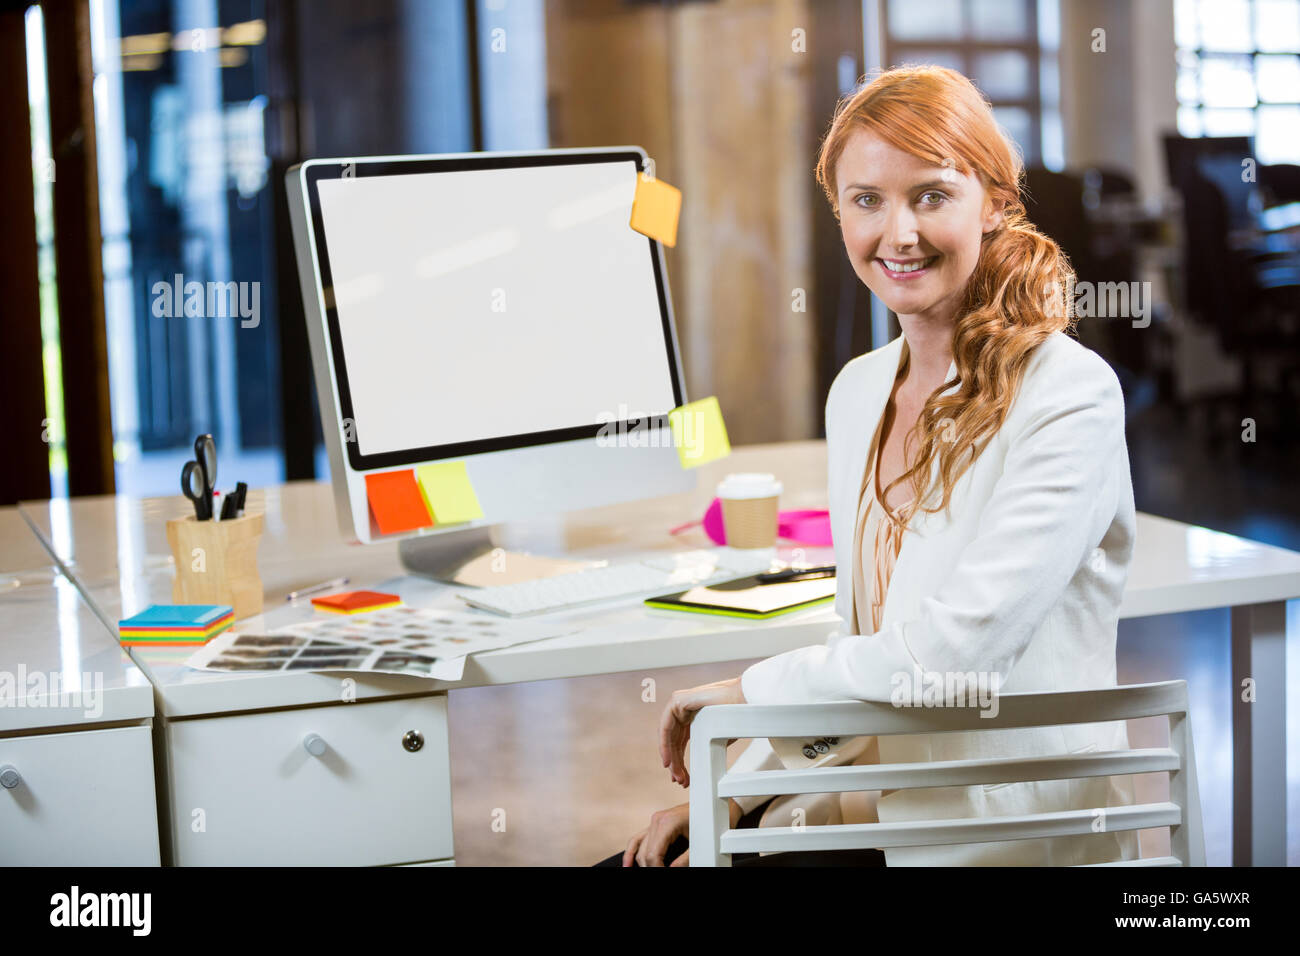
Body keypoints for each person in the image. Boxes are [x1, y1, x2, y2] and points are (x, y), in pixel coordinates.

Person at [599, 63, 1141, 867]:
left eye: (931, 195)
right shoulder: (858, 392)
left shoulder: (1069, 393)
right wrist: (733, 795)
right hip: (880, 812)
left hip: (998, 835)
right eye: (867, 200)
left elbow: (950, 656)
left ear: (992, 203)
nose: (898, 234)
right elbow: (866, 649)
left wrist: (747, 691)